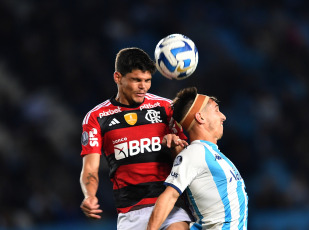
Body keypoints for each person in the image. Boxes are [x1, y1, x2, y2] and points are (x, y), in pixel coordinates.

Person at [79, 47, 192, 229]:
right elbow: (91, 167)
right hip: (130, 211)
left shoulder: (165, 107)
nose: (143, 87)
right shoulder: (97, 117)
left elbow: (187, 156)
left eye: (147, 81)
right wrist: (89, 195)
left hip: (170, 205)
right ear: (118, 78)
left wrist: (176, 145)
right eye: (136, 80)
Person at [147, 87, 249, 230]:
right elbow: (169, 196)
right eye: (216, 110)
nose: (223, 116)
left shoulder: (210, 154)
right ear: (200, 117)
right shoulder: (195, 152)